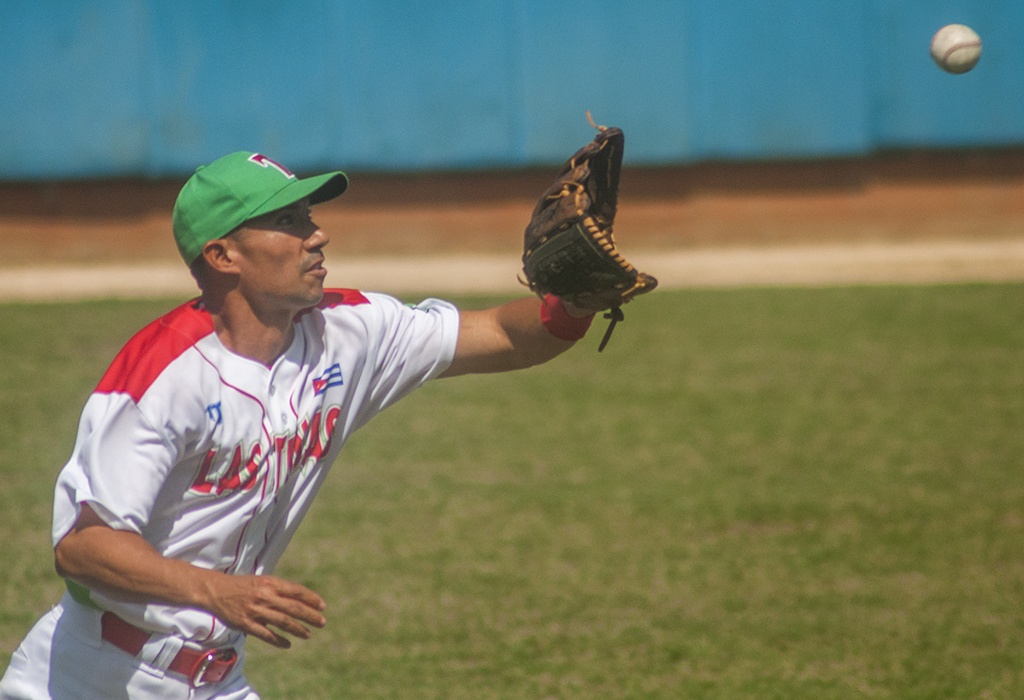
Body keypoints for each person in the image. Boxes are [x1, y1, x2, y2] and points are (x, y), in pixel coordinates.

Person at [0, 152, 597, 699]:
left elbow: (500, 335)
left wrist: (574, 304)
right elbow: (82, 547)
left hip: (216, 680)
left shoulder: (349, 331)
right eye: (289, 221)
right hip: (90, 677)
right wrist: (217, 590)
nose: (319, 234)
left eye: (308, 214)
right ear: (222, 255)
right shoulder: (162, 377)